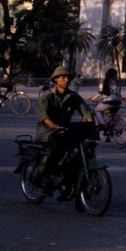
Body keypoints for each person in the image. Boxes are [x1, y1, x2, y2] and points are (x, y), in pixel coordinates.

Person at [34, 64, 97, 197]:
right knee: (59, 148)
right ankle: (43, 172)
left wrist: (92, 123)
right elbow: (42, 115)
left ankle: (68, 179)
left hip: (65, 130)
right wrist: (53, 125)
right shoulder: (47, 96)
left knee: (79, 148)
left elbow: (85, 111)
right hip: (47, 131)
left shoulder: (73, 96)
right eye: (62, 77)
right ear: (56, 79)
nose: (66, 80)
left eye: (68, 77)